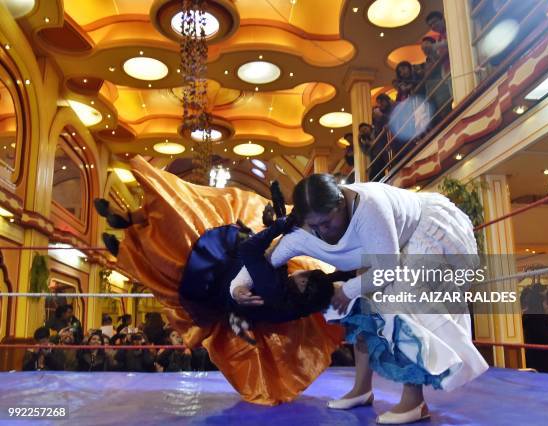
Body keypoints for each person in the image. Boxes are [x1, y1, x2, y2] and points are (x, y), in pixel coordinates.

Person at [231, 174, 488, 424]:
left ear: (341, 202)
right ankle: (361, 390)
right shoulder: (301, 233)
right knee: (361, 311)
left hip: (421, 229)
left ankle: (414, 402)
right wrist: (238, 286)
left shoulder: (370, 207)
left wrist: (349, 289)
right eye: (314, 224)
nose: (322, 231)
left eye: (327, 222)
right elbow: (263, 260)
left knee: (402, 306)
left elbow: (386, 270)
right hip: (377, 251)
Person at [93, 155, 344, 405]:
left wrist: (277, 225)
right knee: (169, 262)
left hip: (218, 268)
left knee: (186, 218)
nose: (301, 271)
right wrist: (279, 218)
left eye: (305, 275)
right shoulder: (293, 304)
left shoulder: (275, 288)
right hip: (215, 289)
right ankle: (126, 239)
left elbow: (254, 252)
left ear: (302, 284)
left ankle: (129, 228)